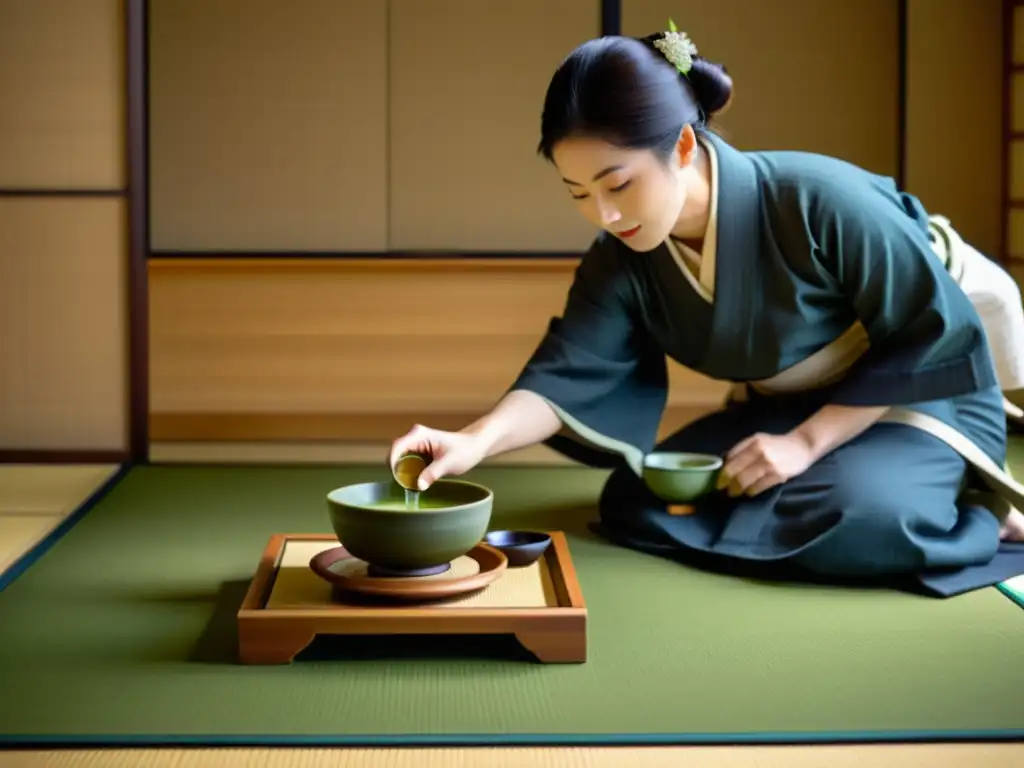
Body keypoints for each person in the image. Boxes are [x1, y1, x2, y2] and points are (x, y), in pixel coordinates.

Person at [389, 25, 1024, 596]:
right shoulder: (623, 255)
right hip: (788, 408)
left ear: (685, 146)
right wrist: (471, 441)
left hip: (923, 387)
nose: (604, 215)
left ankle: (980, 506)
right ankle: (849, 479)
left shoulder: (819, 199)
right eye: (577, 193)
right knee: (641, 497)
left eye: (618, 184)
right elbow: (567, 372)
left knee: (869, 516)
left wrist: (805, 444)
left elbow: (928, 331)